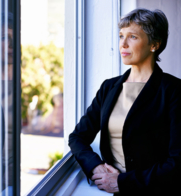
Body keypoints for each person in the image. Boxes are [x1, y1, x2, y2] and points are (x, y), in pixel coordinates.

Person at [68, 8, 181, 196]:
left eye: (133, 37)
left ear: (154, 44)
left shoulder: (174, 90)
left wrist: (123, 182)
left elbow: (177, 161)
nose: (123, 44)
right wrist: (96, 167)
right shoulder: (108, 88)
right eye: (121, 36)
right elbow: (77, 137)